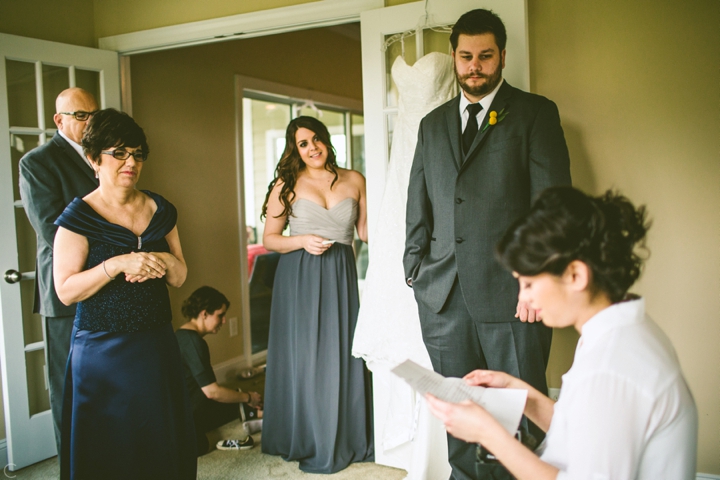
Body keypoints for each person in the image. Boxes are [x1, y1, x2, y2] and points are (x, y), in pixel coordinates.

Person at [426, 186, 698, 480]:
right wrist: (523, 396)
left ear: (575, 275)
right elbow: (588, 429)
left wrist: (489, 435)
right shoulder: (621, 332)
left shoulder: (609, 367)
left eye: (529, 284)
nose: (523, 297)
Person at [403, 8, 572, 479]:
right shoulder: (431, 125)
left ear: (501, 56)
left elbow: (553, 207)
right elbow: (418, 206)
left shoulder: (535, 113)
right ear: (454, 58)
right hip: (442, 297)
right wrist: (414, 269)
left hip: (513, 297)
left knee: (516, 413)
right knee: (458, 412)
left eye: (484, 56)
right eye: (465, 56)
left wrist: (536, 279)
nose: (474, 66)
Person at [53, 109, 196, 479]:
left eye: (137, 153)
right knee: (110, 452)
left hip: (156, 345)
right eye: (119, 153)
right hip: (103, 352)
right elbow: (66, 291)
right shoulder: (77, 219)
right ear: (93, 159)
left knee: (161, 443)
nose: (131, 162)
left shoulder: (161, 210)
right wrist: (116, 265)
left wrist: (160, 258)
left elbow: (179, 276)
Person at [352, 51, 456, 479]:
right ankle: (411, 439)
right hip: (406, 148)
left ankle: (445, 442)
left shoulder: (453, 81)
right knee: (403, 214)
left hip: (444, 142)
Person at [260, 116, 374, 473]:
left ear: (326, 139)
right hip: (300, 274)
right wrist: (301, 241)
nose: (312, 148)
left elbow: (367, 232)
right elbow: (270, 239)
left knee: (341, 351)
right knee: (306, 355)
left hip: (341, 270)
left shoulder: (355, 179)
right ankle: (308, 436)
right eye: (303, 144)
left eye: (316, 139)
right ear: (295, 150)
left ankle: (346, 435)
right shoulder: (288, 184)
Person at [18, 87, 99, 453]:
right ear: (59, 120)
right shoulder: (37, 163)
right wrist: (109, 257)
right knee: (69, 385)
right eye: (81, 115)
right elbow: (52, 229)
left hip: (108, 284)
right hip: (65, 286)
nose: (89, 122)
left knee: (103, 379)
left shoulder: (105, 155)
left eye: (93, 114)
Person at [176, 286, 262, 455]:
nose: (224, 321)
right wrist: (248, 397)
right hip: (186, 418)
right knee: (203, 444)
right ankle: (254, 409)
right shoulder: (194, 343)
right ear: (204, 313)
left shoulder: (181, 335)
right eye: (220, 315)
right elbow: (212, 392)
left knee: (233, 396)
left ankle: (251, 409)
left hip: (185, 407)